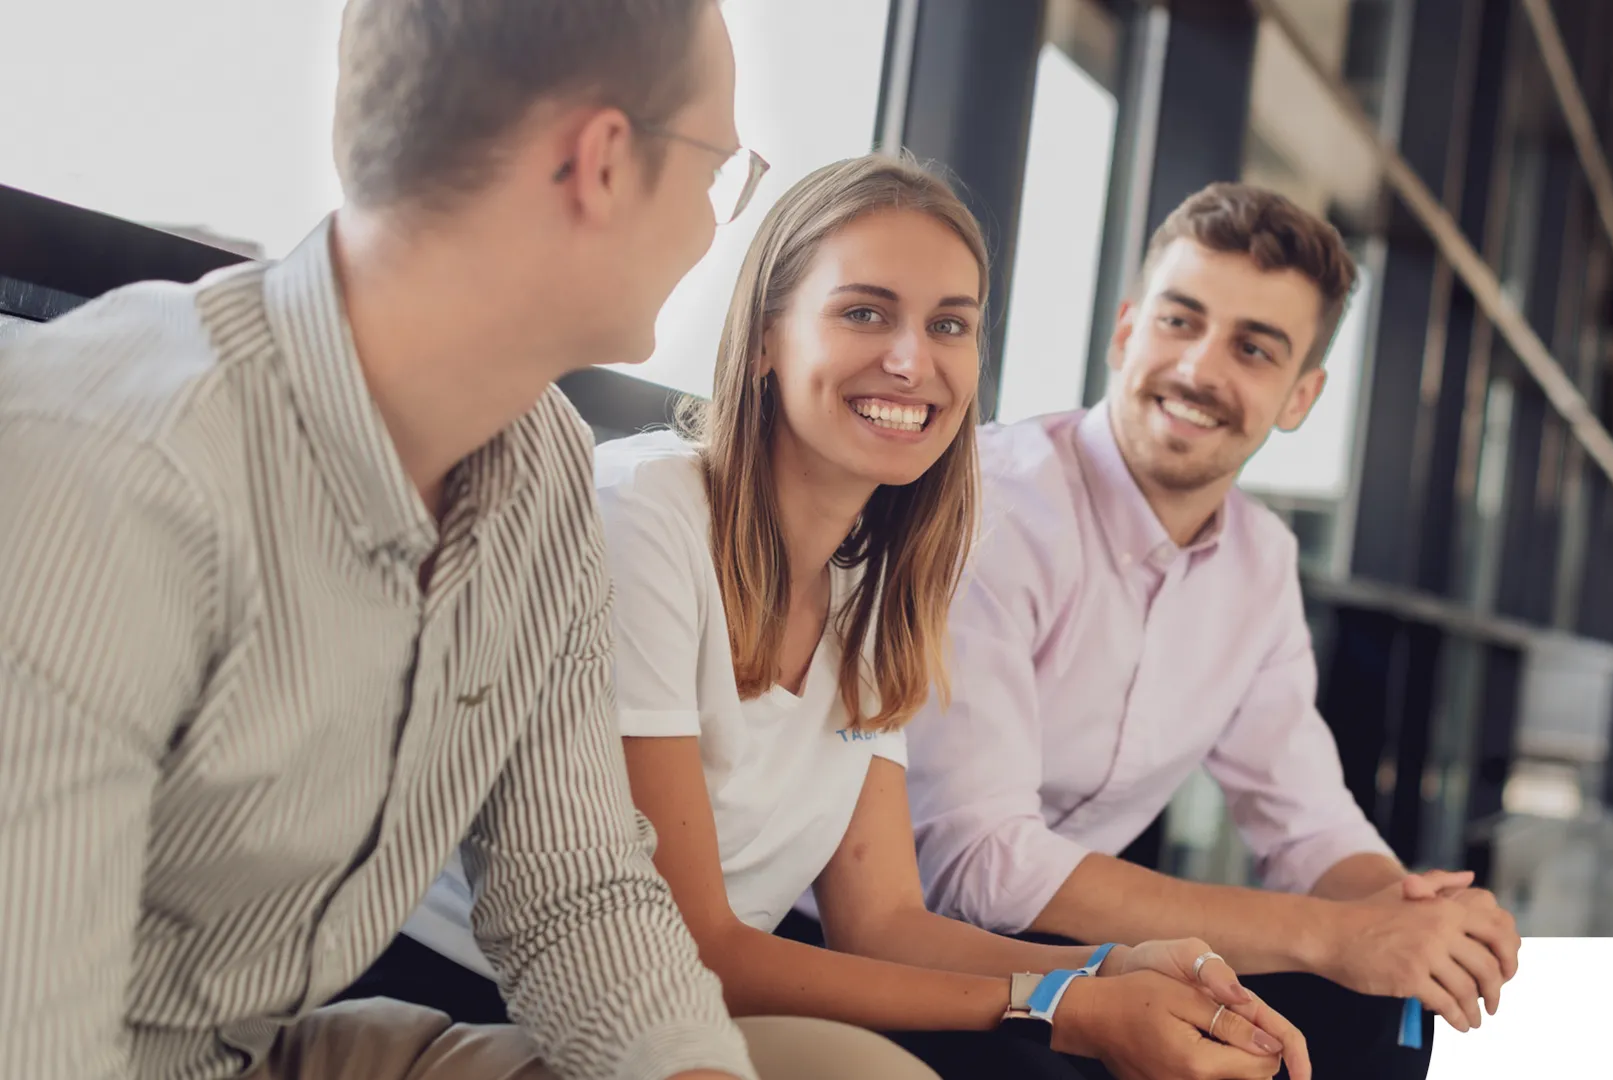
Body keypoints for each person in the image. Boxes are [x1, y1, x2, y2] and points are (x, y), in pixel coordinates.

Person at [0, 1, 906, 1077]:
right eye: (719, 171)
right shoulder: (114, 463)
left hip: (267, 1047)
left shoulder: (543, 473)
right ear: (603, 164)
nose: (718, 226)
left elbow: (575, 897)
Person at [377, 153, 1313, 1080]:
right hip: (472, 999)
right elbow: (685, 943)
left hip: (666, 1019)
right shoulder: (642, 522)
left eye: (950, 324)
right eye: (864, 312)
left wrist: (1113, 970)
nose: (912, 361)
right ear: (764, 342)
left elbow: (883, 922)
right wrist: (1058, 1003)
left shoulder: (870, 593)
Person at [897, 182, 1525, 1079]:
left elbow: (1304, 822)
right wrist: (1333, 934)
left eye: (1254, 349)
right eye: (1179, 322)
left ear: (1300, 396)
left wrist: (1410, 913)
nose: (1199, 369)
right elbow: (980, 865)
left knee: (1377, 1015)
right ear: (1125, 332)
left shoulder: (1259, 560)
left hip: (1079, 950)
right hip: (907, 948)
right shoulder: (998, 508)